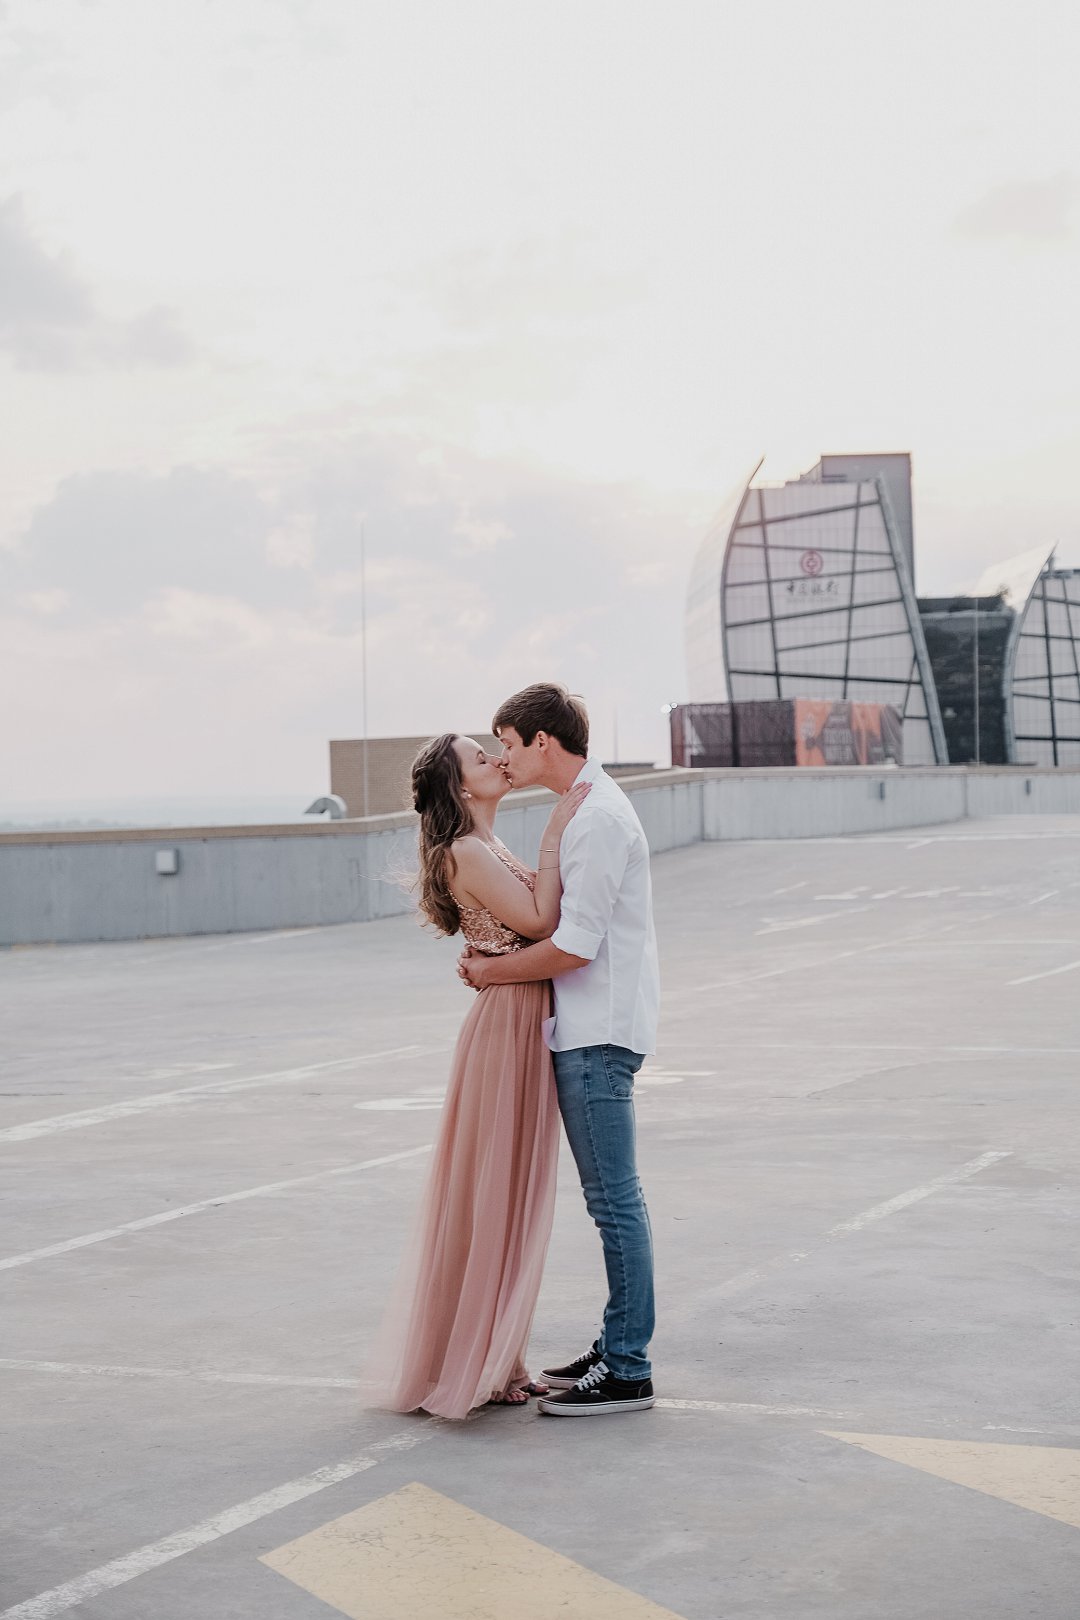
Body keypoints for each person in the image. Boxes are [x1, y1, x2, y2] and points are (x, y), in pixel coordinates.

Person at [365, 732, 589, 1418]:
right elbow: (542, 921)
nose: (496, 759)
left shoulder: (486, 844)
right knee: (494, 1192)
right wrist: (555, 835)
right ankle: (483, 1363)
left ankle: (494, 1356)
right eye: (479, 757)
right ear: (462, 786)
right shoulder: (467, 850)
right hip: (506, 1027)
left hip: (519, 1017)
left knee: (509, 1191)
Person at [460, 683, 660, 1416]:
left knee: (614, 1202)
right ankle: (617, 1345)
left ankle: (629, 1368)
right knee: (609, 1200)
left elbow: (574, 946)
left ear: (542, 741)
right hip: (584, 1027)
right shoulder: (582, 810)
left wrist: (489, 972)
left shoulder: (597, 818)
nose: (503, 758)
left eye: (508, 744)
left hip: (597, 1031)